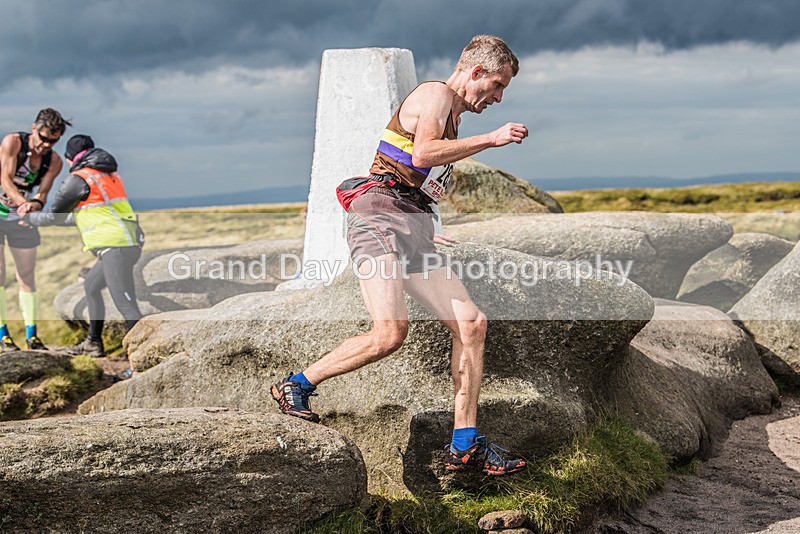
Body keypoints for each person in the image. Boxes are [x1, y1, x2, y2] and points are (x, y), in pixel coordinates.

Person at [272, 35, 529, 476]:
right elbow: (423, 152)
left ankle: (465, 444)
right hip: (377, 218)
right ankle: (294, 385)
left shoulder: (452, 116)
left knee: (471, 323)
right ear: (476, 72)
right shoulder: (434, 94)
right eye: (499, 85)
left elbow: (417, 179)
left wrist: (426, 230)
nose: (499, 98)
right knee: (390, 333)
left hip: (409, 223)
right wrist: (492, 139)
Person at [27, 135, 144, 357]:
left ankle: (142, 360)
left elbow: (55, 216)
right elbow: (89, 215)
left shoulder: (79, 179)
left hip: (114, 248)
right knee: (91, 285)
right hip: (126, 243)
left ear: (71, 159)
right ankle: (93, 343)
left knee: (127, 307)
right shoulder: (108, 175)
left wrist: (30, 218)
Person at [0, 108, 70, 351]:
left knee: (27, 275)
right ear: (34, 128)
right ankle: (3, 335)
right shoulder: (13, 142)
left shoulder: (55, 161)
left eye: (53, 141)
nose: (45, 145)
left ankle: (32, 335)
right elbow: (5, 179)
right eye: (43, 138)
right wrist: (22, 203)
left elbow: (43, 193)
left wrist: (34, 205)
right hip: (5, 211)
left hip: (22, 219)